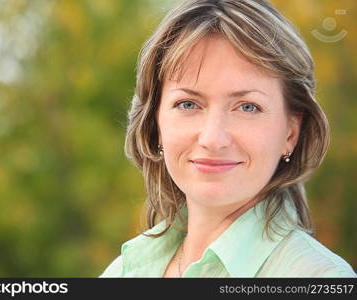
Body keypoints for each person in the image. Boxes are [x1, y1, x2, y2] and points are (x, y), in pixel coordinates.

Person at [100, 0, 356, 277]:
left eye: (247, 107)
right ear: (155, 124)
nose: (213, 138)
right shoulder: (125, 271)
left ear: (291, 133)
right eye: (188, 104)